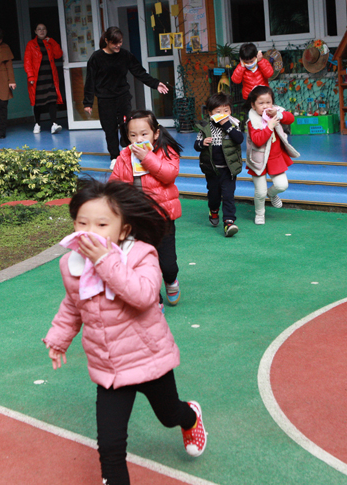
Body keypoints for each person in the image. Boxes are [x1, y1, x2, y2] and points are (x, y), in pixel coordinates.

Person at [43, 178, 207, 485]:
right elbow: (73, 304)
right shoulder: (72, 264)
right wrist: (59, 339)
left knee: (169, 415)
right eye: (82, 223)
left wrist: (104, 262)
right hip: (109, 367)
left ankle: (190, 416)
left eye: (102, 224)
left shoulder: (141, 255)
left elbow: (143, 296)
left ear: (123, 230)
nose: (90, 232)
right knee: (110, 446)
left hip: (149, 359)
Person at [110, 110, 182, 306]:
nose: (138, 140)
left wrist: (147, 157)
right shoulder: (125, 156)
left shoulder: (166, 151)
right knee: (143, 263)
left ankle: (171, 279)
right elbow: (114, 184)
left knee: (167, 264)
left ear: (155, 133)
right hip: (136, 219)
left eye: (144, 134)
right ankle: (154, 300)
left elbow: (169, 175)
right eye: (133, 135)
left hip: (162, 218)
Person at [83, 27, 169, 168]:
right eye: (114, 43)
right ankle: (114, 157)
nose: (118, 45)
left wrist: (155, 83)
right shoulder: (96, 58)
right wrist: (88, 102)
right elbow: (90, 81)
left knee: (127, 125)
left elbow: (139, 72)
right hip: (105, 99)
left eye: (120, 42)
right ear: (107, 41)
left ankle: (127, 151)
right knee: (109, 128)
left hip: (123, 96)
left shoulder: (125, 55)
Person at [245, 85, 300, 225]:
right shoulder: (252, 122)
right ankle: (260, 214)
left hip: (275, 157)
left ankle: (271, 194)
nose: (265, 106)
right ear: (253, 105)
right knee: (260, 192)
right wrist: (269, 126)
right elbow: (258, 141)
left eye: (268, 102)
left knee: (282, 185)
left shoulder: (276, 112)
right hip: (258, 160)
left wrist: (279, 114)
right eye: (260, 103)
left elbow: (290, 118)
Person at [194, 92, 244, 237]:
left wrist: (227, 126)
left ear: (230, 111)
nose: (223, 114)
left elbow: (239, 139)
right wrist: (202, 143)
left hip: (229, 169)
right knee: (214, 195)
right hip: (212, 169)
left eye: (226, 110)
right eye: (218, 111)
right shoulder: (205, 127)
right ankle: (214, 210)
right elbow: (196, 145)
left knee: (228, 196)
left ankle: (229, 222)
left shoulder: (233, 124)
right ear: (210, 113)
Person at [24, 24, 64, 135]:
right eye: (39, 29)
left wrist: (52, 41)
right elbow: (27, 62)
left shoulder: (49, 43)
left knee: (52, 100)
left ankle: (54, 124)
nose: (42, 31)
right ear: (35, 31)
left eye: (44, 29)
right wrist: (30, 76)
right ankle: (37, 124)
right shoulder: (31, 44)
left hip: (50, 77)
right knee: (38, 102)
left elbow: (58, 54)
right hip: (37, 79)